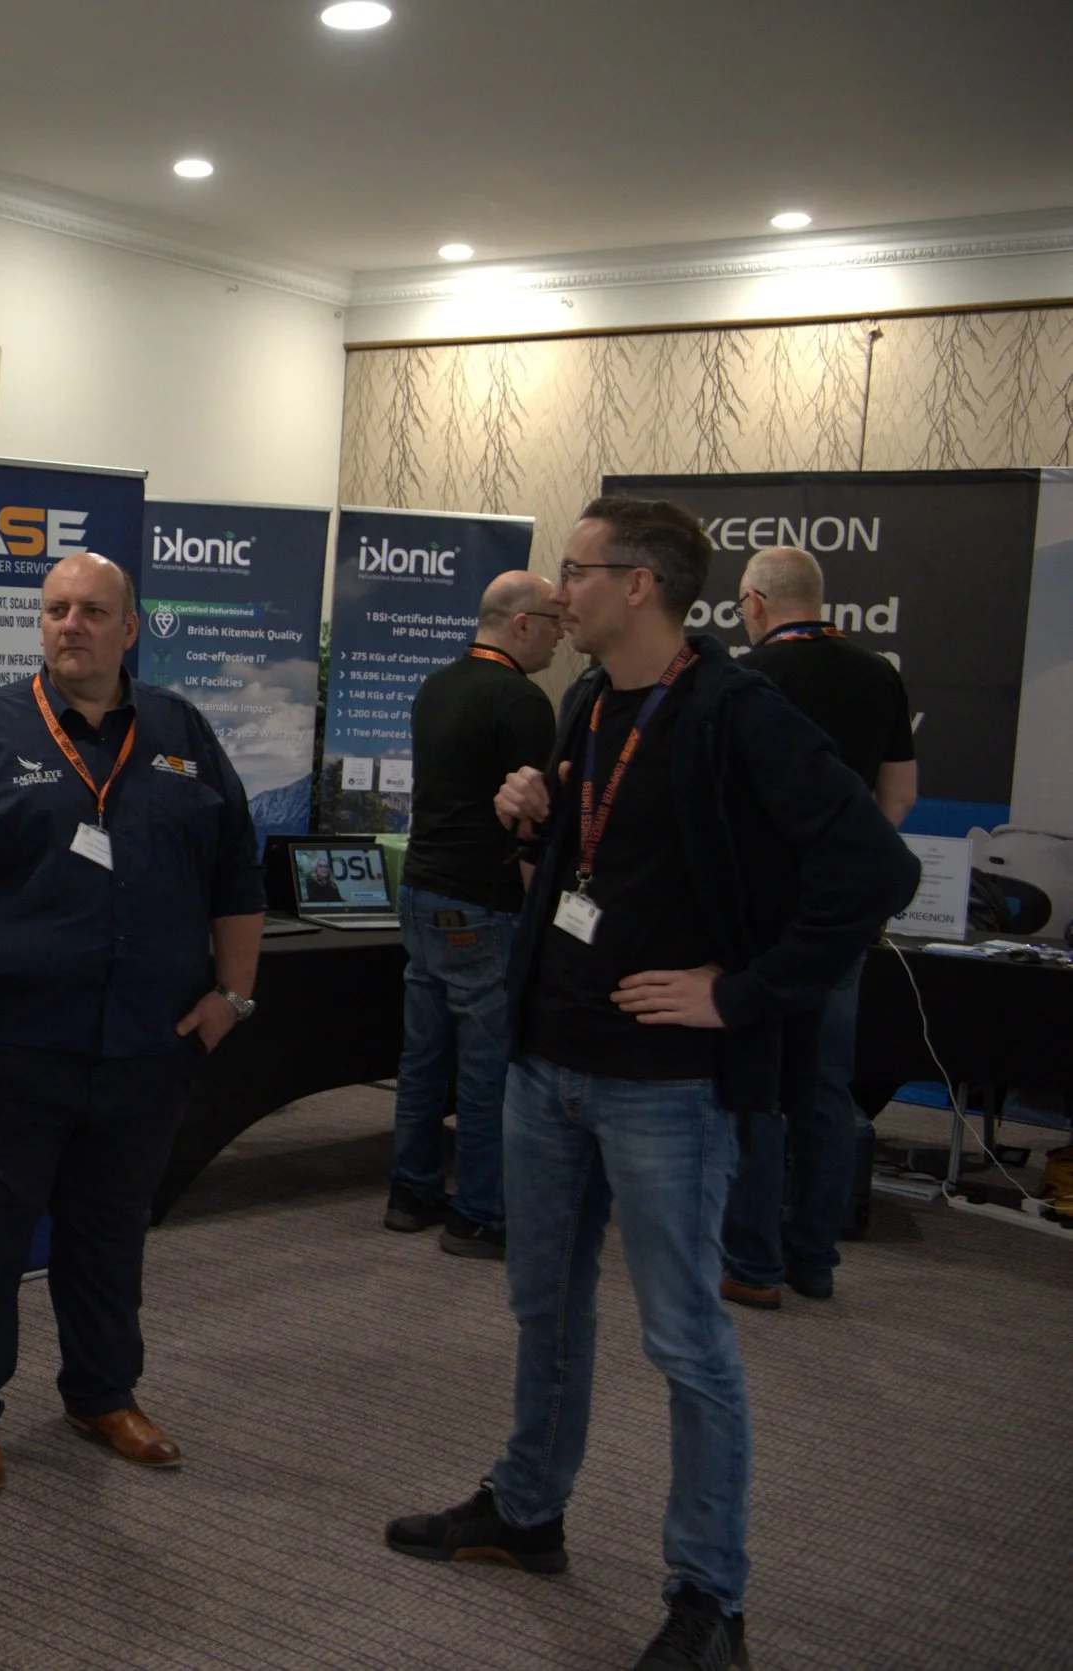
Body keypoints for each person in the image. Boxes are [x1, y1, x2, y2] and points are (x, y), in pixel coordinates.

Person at [383, 497, 918, 1671]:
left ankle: (709, 1599)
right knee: (543, 1307)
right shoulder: (589, 700)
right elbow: (598, 865)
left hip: (666, 1088)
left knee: (685, 1343)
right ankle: (528, 1510)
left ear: (637, 585)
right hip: (547, 1065)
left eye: (574, 571)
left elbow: (874, 866)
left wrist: (746, 992)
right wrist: (532, 824)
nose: (554, 590)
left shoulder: (737, 712)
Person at [0, 551, 265, 1495]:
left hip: (145, 1046)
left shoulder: (181, 730)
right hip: (5, 1046)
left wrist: (234, 994)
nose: (71, 625)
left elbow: (236, 868)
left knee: (110, 1234)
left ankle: (103, 1393)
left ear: (130, 628)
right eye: (56, 609)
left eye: (92, 610)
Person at [720, 545, 917, 1307]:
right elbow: (898, 796)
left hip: (763, 915)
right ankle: (814, 1258)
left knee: (758, 1083)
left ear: (755, 603)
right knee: (826, 1085)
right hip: (841, 917)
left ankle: (752, 1262)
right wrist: (848, 860)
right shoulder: (878, 675)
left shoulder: (745, 680)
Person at [385, 569, 562, 1258]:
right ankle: (481, 1212)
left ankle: (411, 1192)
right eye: (552, 622)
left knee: (423, 1057)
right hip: (482, 903)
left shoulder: (436, 685)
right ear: (522, 624)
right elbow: (530, 822)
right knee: (488, 1068)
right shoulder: (522, 701)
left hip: (420, 891)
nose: (560, 636)